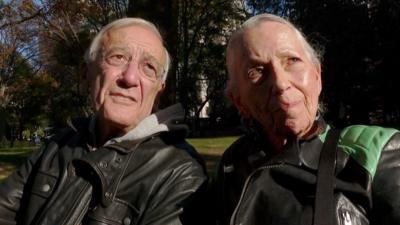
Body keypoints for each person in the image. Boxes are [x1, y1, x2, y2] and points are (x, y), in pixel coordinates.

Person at [0, 18, 207, 225]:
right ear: (86, 72)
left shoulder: (180, 171)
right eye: (118, 57)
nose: (131, 78)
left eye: (149, 67)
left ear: (158, 91)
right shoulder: (58, 145)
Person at [214, 13, 400, 225]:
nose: (280, 83)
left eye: (292, 60)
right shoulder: (232, 164)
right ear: (239, 102)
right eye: (256, 71)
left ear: (317, 76)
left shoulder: (378, 151)